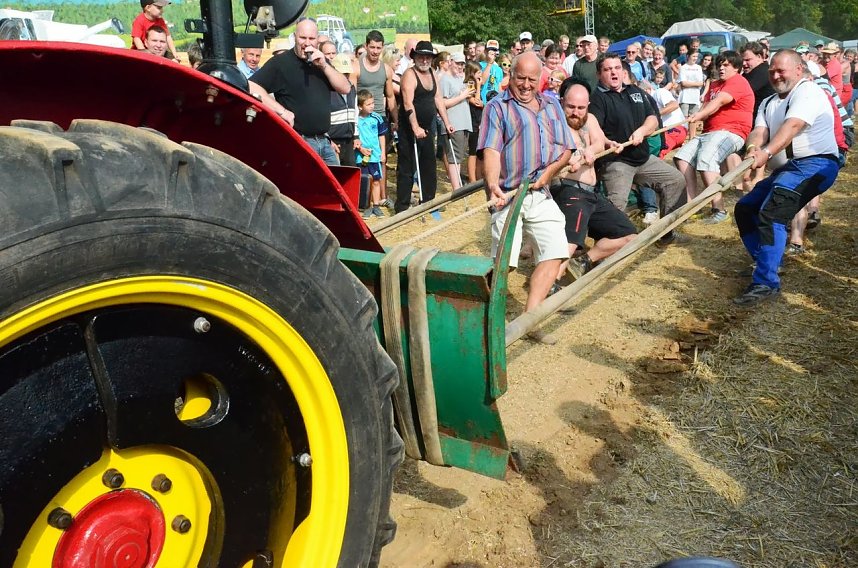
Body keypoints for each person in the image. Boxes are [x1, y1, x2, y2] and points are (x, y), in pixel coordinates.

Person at [734, 50, 840, 306]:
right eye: (772, 71)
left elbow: (792, 126)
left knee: (772, 212)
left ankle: (766, 283)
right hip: (790, 168)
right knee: (745, 208)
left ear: (799, 70)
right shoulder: (769, 102)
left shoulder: (809, 92)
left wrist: (767, 153)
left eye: (781, 70)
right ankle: (768, 261)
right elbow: (759, 131)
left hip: (817, 164)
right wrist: (752, 151)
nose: (776, 75)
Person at [478, 52, 572, 336]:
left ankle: (530, 320)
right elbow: (491, 150)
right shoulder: (497, 107)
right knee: (504, 264)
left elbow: (566, 149)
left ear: (540, 79)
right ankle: (486, 318)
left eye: (533, 79)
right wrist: (493, 183)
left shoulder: (552, 105)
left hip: (540, 192)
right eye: (521, 78)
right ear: (511, 76)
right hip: (508, 193)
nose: (527, 84)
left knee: (555, 251)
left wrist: (548, 174)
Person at [589, 53, 687, 244]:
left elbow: (652, 117)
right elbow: (595, 129)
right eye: (607, 70)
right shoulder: (598, 99)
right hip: (616, 162)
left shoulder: (635, 91)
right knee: (615, 207)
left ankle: (665, 233)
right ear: (600, 74)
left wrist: (642, 131)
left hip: (643, 158)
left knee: (676, 180)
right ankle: (602, 250)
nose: (614, 73)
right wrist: (609, 143)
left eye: (617, 68)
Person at [555, 81, 637, 279]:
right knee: (570, 241)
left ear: (588, 106)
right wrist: (569, 159)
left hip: (591, 193)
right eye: (571, 107)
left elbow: (599, 141)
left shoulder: (590, 119)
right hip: (568, 189)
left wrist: (590, 150)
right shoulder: (554, 123)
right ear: (562, 103)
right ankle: (550, 284)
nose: (576, 112)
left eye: (581, 107)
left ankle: (584, 261)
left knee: (629, 235)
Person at [249, 18, 352, 166]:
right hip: (300, 140)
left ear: (317, 40)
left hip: (324, 141)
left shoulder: (321, 61)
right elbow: (252, 86)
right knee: (307, 187)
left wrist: (324, 66)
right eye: (303, 38)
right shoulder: (281, 63)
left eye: (312, 38)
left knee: (333, 187)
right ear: (295, 37)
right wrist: (281, 111)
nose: (307, 43)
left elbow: (346, 88)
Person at [675, 51, 754, 224]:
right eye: (720, 65)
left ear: (737, 68)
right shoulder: (715, 84)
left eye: (727, 65)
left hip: (732, 132)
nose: (722, 68)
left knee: (706, 158)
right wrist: (696, 118)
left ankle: (719, 209)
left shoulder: (738, 82)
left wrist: (699, 114)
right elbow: (705, 107)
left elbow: (718, 102)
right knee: (682, 157)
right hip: (710, 133)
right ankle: (690, 207)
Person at [395, 41, 454, 213]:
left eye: (428, 57)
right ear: (415, 57)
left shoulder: (432, 74)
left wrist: (447, 122)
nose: (425, 60)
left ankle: (429, 201)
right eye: (421, 56)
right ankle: (402, 206)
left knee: (428, 163)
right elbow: (407, 103)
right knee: (407, 166)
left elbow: (438, 99)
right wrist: (415, 127)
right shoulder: (409, 75)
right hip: (409, 128)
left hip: (428, 126)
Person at [354, 30, 397, 208]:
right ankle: (363, 198)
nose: (375, 51)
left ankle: (382, 197)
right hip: (361, 120)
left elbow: (391, 96)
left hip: (379, 120)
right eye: (372, 47)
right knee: (361, 159)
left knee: (381, 159)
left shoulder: (386, 69)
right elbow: (350, 94)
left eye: (379, 48)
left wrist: (395, 119)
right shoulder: (356, 66)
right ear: (366, 46)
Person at [440, 52, 474, 190]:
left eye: (463, 64)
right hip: (454, 123)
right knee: (453, 157)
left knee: (459, 157)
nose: (460, 66)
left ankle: (458, 185)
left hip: (464, 122)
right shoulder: (445, 80)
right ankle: (456, 187)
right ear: (451, 62)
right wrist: (462, 96)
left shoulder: (460, 79)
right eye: (458, 63)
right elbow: (442, 103)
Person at [355, 89, 388, 218]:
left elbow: (381, 136)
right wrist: (361, 149)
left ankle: (376, 206)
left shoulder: (376, 118)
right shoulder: (356, 119)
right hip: (360, 156)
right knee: (364, 181)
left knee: (376, 180)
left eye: (373, 103)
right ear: (360, 106)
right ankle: (365, 206)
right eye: (368, 104)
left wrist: (383, 152)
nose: (372, 106)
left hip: (374, 156)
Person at [327, 53, 359, 167]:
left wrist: (356, 136)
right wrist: (328, 140)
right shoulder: (327, 90)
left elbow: (355, 112)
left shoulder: (351, 88)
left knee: (350, 173)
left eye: (347, 73)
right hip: (332, 140)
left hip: (348, 140)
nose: (345, 76)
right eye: (342, 73)